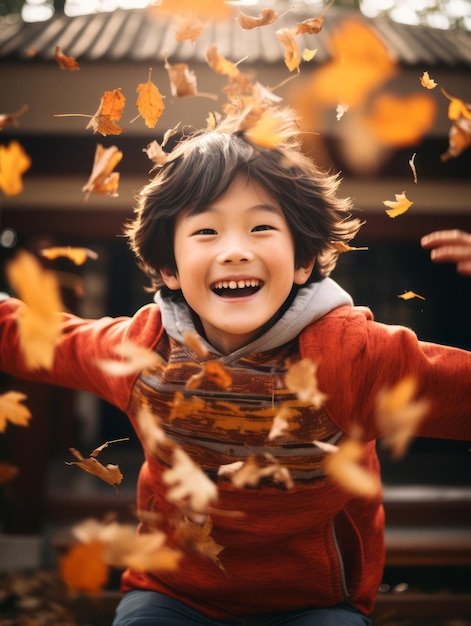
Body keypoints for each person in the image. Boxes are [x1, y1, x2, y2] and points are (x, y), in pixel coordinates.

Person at [1, 107, 470, 626]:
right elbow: (35, 335)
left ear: (302, 262)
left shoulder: (351, 358)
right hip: (172, 594)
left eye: (261, 227)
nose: (235, 251)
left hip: (313, 603)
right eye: (206, 233)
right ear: (168, 269)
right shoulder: (143, 355)